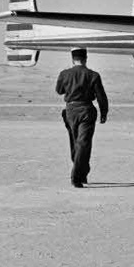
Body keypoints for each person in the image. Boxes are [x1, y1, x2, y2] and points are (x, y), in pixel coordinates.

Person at [55, 48, 108, 188]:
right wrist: (104, 113)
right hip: (86, 111)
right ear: (86, 58)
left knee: (75, 143)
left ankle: (81, 171)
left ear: (73, 59)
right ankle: (78, 176)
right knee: (84, 144)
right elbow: (101, 96)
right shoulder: (93, 75)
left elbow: (59, 90)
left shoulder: (64, 74)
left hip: (71, 111)